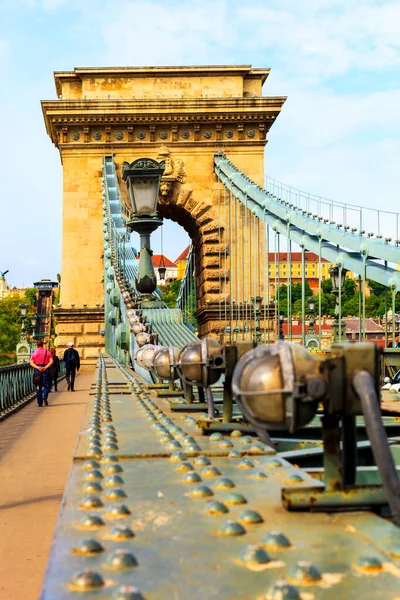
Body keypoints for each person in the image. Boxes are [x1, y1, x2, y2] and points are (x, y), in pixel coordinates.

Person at [30, 341, 54, 407]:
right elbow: (51, 361)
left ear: (37, 345)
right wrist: (45, 367)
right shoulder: (47, 352)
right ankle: (45, 396)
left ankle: (40, 403)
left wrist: (38, 367)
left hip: (37, 371)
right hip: (46, 370)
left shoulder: (34, 353)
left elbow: (31, 363)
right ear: (43, 345)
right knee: (47, 385)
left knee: (38, 387)